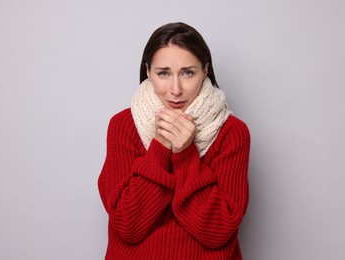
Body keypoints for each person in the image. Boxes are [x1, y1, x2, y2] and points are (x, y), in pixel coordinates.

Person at [98, 22, 250, 260]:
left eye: (188, 72)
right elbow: (129, 225)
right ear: (148, 71)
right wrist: (160, 146)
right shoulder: (123, 126)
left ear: (205, 70)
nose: (176, 89)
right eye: (164, 73)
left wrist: (186, 152)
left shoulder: (232, 132)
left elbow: (218, 231)